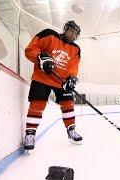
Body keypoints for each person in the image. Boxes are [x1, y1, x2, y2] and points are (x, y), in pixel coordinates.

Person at [23, 20, 82, 151]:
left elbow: (73, 67)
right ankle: (30, 134)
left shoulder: (76, 49)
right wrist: (40, 57)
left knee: (68, 104)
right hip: (42, 78)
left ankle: (71, 130)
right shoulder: (49, 35)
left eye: (75, 33)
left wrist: (72, 78)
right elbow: (30, 49)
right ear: (65, 29)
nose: (72, 35)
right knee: (37, 103)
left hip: (61, 82)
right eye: (71, 31)